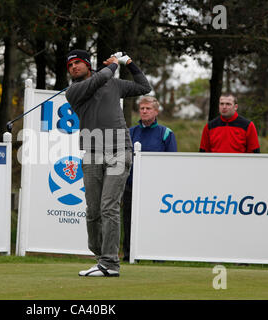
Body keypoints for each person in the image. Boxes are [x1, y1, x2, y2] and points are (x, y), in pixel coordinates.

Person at [65, 49, 151, 277]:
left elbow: (144, 87)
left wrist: (129, 63)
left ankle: (110, 263)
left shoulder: (114, 85)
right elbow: (101, 78)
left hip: (119, 150)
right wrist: (113, 64)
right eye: (70, 65)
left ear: (87, 64)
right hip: (92, 152)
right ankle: (101, 255)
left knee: (109, 206)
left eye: (78, 63)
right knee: (93, 211)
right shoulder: (73, 91)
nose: (74, 67)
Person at [122, 96, 177, 262]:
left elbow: (172, 163)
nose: (144, 111)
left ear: (156, 111)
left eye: (148, 109)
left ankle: (157, 256)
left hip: (155, 188)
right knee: (129, 222)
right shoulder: (131, 132)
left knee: (155, 223)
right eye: (142, 108)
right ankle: (129, 255)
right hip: (131, 186)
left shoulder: (166, 133)